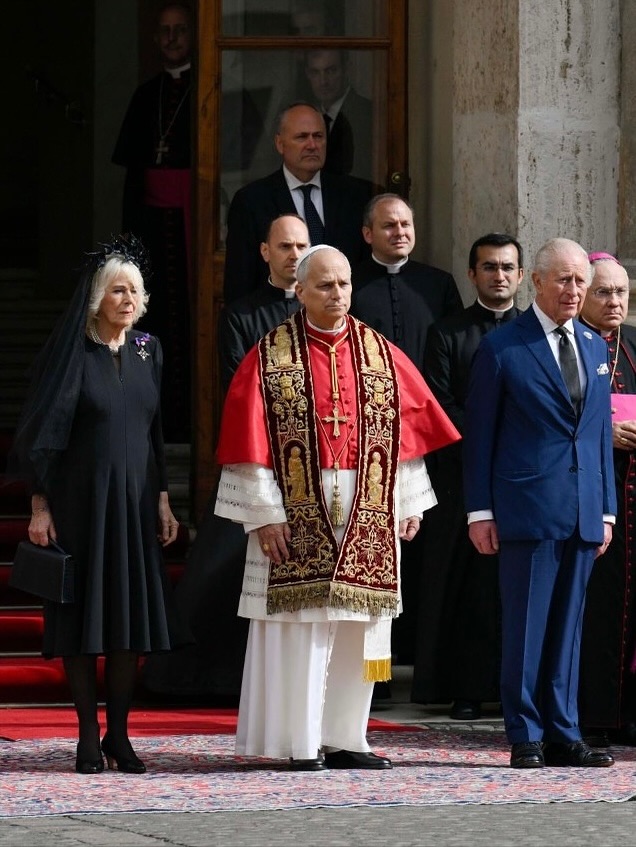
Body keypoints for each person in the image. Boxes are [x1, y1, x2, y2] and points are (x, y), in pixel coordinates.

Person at [214, 245, 460, 770]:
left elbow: (405, 435)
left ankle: (347, 738)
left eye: (344, 284)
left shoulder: (381, 353)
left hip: (367, 505)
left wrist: (408, 502)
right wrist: (264, 512)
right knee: (300, 628)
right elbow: (247, 439)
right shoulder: (270, 354)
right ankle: (298, 743)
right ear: (299, 291)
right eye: (325, 285)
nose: (337, 294)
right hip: (294, 508)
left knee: (357, 627)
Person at [9, 235, 190, 774]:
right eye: (117, 289)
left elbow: (156, 432)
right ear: (97, 298)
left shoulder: (147, 350)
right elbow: (44, 435)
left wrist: (163, 499)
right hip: (81, 506)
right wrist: (40, 506)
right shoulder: (74, 352)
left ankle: (119, 734)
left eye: (135, 290)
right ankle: (88, 735)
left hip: (135, 508)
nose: (128, 298)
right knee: (83, 622)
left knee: (128, 624)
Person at [138, 215, 309, 702]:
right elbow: (241, 386)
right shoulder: (241, 314)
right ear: (265, 253)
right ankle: (195, 681)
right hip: (256, 456)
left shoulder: (323, 313)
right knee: (219, 572)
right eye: (285, 246)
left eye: (302, 245)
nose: (294, 254)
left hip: (313, 468)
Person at [463, 237, 616, 769]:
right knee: (526, 628)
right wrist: (479, 511)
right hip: (525, 509)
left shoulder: (597, 348)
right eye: (566, 281)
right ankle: (525, 733)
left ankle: (564, 731)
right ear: (537, 282)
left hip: (582, 511)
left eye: (582, 281)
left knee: (569, 630)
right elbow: (480, 434)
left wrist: (606, 510)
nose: (576, 291)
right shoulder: (504, 348)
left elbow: (596, 435)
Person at [411, 233, 524, 719]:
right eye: (489, 267)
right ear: (472, 274)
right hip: (461, 479)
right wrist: (488, 445)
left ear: (521, 276)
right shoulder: (447, 332)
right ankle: (466, 687)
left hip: (522, 481)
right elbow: (438, 403)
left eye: (507, 267)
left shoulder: (535, 334)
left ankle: (514, 685)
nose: (498, 276)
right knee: (465, 588)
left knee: (511, 587)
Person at [349, 193, 463, 665]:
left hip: (425, 440)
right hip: (364, 439)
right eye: (389, 225)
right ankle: (374, 667)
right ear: (367, 234)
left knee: (427, 545)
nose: (400, 232)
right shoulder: (350, 284)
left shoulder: (437, 284)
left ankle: (422, 655)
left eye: (406, 224)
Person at [112, 2, 194, 443]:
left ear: (192, 36)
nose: (171, 38)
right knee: (154, 318)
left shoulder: (206, 89)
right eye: (164, 31)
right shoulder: (147, 95)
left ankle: (189, 420)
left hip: (190, 228)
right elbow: (132, 175)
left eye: (179, 30)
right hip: (150, 227)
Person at [223, 102, 374, 304]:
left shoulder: (355, 196)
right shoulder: (251, 201)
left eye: (318, 136)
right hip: (279, 322)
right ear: (280, 144)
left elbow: (367, 272)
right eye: (302, 137)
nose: (312, 145)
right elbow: (239, 282)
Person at [577, 252, 636, 748]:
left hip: (634, 491)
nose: (615, 301)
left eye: (621, 291)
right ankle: (594, 712)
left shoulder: (635, 346)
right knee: (597, 605)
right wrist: (603, 430)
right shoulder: (572, 345)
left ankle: (629, 711)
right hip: (592, 493)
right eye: (603, 292)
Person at [303, 49, 373, 181]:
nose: (323, 81)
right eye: (315, 72)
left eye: (330, 71)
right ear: (307, 74)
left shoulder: (368, 114)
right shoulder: (307, 116)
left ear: (346, 69)